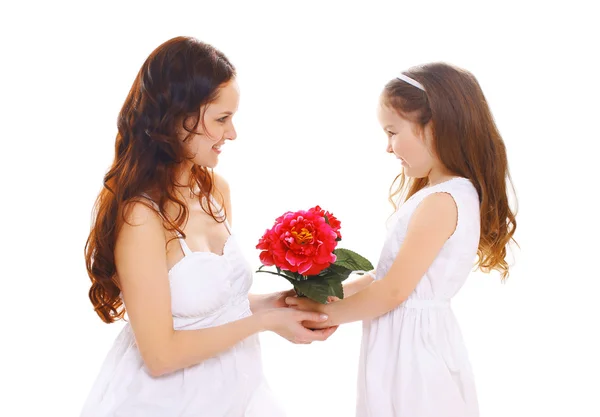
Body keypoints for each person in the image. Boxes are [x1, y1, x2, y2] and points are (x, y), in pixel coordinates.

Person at [81, 36, 336, 417]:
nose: (232, 133)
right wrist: (264, 322)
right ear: (176, 118)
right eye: (221, 119)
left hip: (235, 390)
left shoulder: (214, 190)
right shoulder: (141, 217)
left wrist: (274, 304)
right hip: (167, 402)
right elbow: (160, 355)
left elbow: (208, 309)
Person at [286, 62, 517, 417]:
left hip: (413, 357)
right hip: (406, 345)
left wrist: (326, 314)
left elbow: (394, 292)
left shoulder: (442, 202)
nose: (389, 147)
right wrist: (326, 294)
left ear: (434, 127)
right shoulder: (442, 194)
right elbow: (383, 278)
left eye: (393, 132)